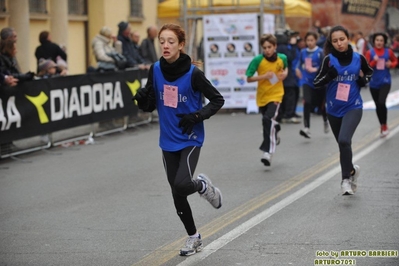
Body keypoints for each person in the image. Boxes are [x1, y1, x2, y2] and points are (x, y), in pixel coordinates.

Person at [132, 23, 224, 256]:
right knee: (177, 192)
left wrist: (196, 116)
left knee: (183, 184)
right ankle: (194, 237)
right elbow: (151, 104)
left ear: (181, 45)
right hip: (167, 139)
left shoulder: (194, 74)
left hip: (190, 137)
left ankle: (203, 186)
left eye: (171, 41)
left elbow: (217, 100)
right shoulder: (155, 69)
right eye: (162, 40)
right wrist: (142, 100)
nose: (165, 45)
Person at [313, 25, 373, 195]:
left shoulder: (358, 58)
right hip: (333, 109)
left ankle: (345, 180)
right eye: (335, 41)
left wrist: (363, 80)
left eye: (342, 39)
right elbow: (316, 82)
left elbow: (369, 72)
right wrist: (328, 76)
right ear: (331, 43)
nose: (339, 43)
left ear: (348, 39)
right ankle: (352, 171)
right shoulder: (328, 60)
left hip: (353, 106)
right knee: (342, 144)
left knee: (344, 140)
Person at [245, 34, 288, 166]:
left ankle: (268, 153)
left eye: (269, 47)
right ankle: (275, 132)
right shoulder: (258, 60)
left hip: (276, 95)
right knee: (267, 122)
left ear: (275, 47)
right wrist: (264, 76)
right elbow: (249, 78)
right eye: (264, 48)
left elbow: (285, 69)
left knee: (267, 119)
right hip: (263, 96)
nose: (267, 50)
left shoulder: (282, 58)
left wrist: (285, 74)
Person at [365, 32, 398, 137]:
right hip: (374, 83)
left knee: (381, 102)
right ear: (374, 41)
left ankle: (385, 125)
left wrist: (391, 64)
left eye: (381, 40)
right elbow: (366, 67)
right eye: (377, 40)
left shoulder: (388, 52)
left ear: (384, 42)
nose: (379, 42)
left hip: (385, 81)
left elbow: (396, 61)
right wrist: (374, 62)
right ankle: (382, 124)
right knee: (378, 105)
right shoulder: (370, 53)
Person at [296, 31, 328, 139]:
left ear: (316, 40)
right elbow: (299, 63)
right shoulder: (303, 52)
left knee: (321, 105)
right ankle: (306, 128)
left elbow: (325, 67)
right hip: (307, 81)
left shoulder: (320, 52)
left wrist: (316, 69)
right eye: (308, 40)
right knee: (307, 102)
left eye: (312, 40)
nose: (309, 42)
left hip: (319, 82)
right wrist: (297, 69)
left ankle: (325, 120)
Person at [276, 32, 300, 124]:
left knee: (282, 96)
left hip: (279, 76)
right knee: (290, 95)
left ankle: (280, 115)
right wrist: (293, 46)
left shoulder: (276, 48)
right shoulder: (283, 48)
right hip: (287, 76)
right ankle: (288, 114)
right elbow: (290, 57)